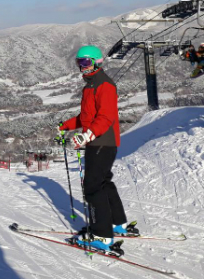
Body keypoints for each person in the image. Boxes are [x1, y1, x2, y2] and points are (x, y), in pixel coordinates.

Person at [59, 45, 135, 252]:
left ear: (96, 62)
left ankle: (101, 235)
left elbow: (105, 117)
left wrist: (87, 135)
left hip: (102, 142)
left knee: (93, 187)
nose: (81, 67)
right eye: (78, 62)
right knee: (103, 183)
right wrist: (65, 125)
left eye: (84, 62)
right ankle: (116, 223)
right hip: (99, 141)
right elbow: (87, 117)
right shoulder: (91, 86)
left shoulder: (104, 85)